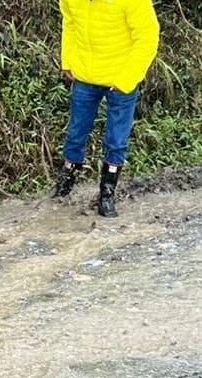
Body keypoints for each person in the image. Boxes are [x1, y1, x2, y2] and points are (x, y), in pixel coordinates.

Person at [52, 0, 160, 217]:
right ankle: (64, 187)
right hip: (85, 75)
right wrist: (68, 62)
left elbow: (148, 36)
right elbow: (70, 23)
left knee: (116, 141)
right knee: (75, 134)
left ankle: (107, 194)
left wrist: (126, 78)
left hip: (121, 79)